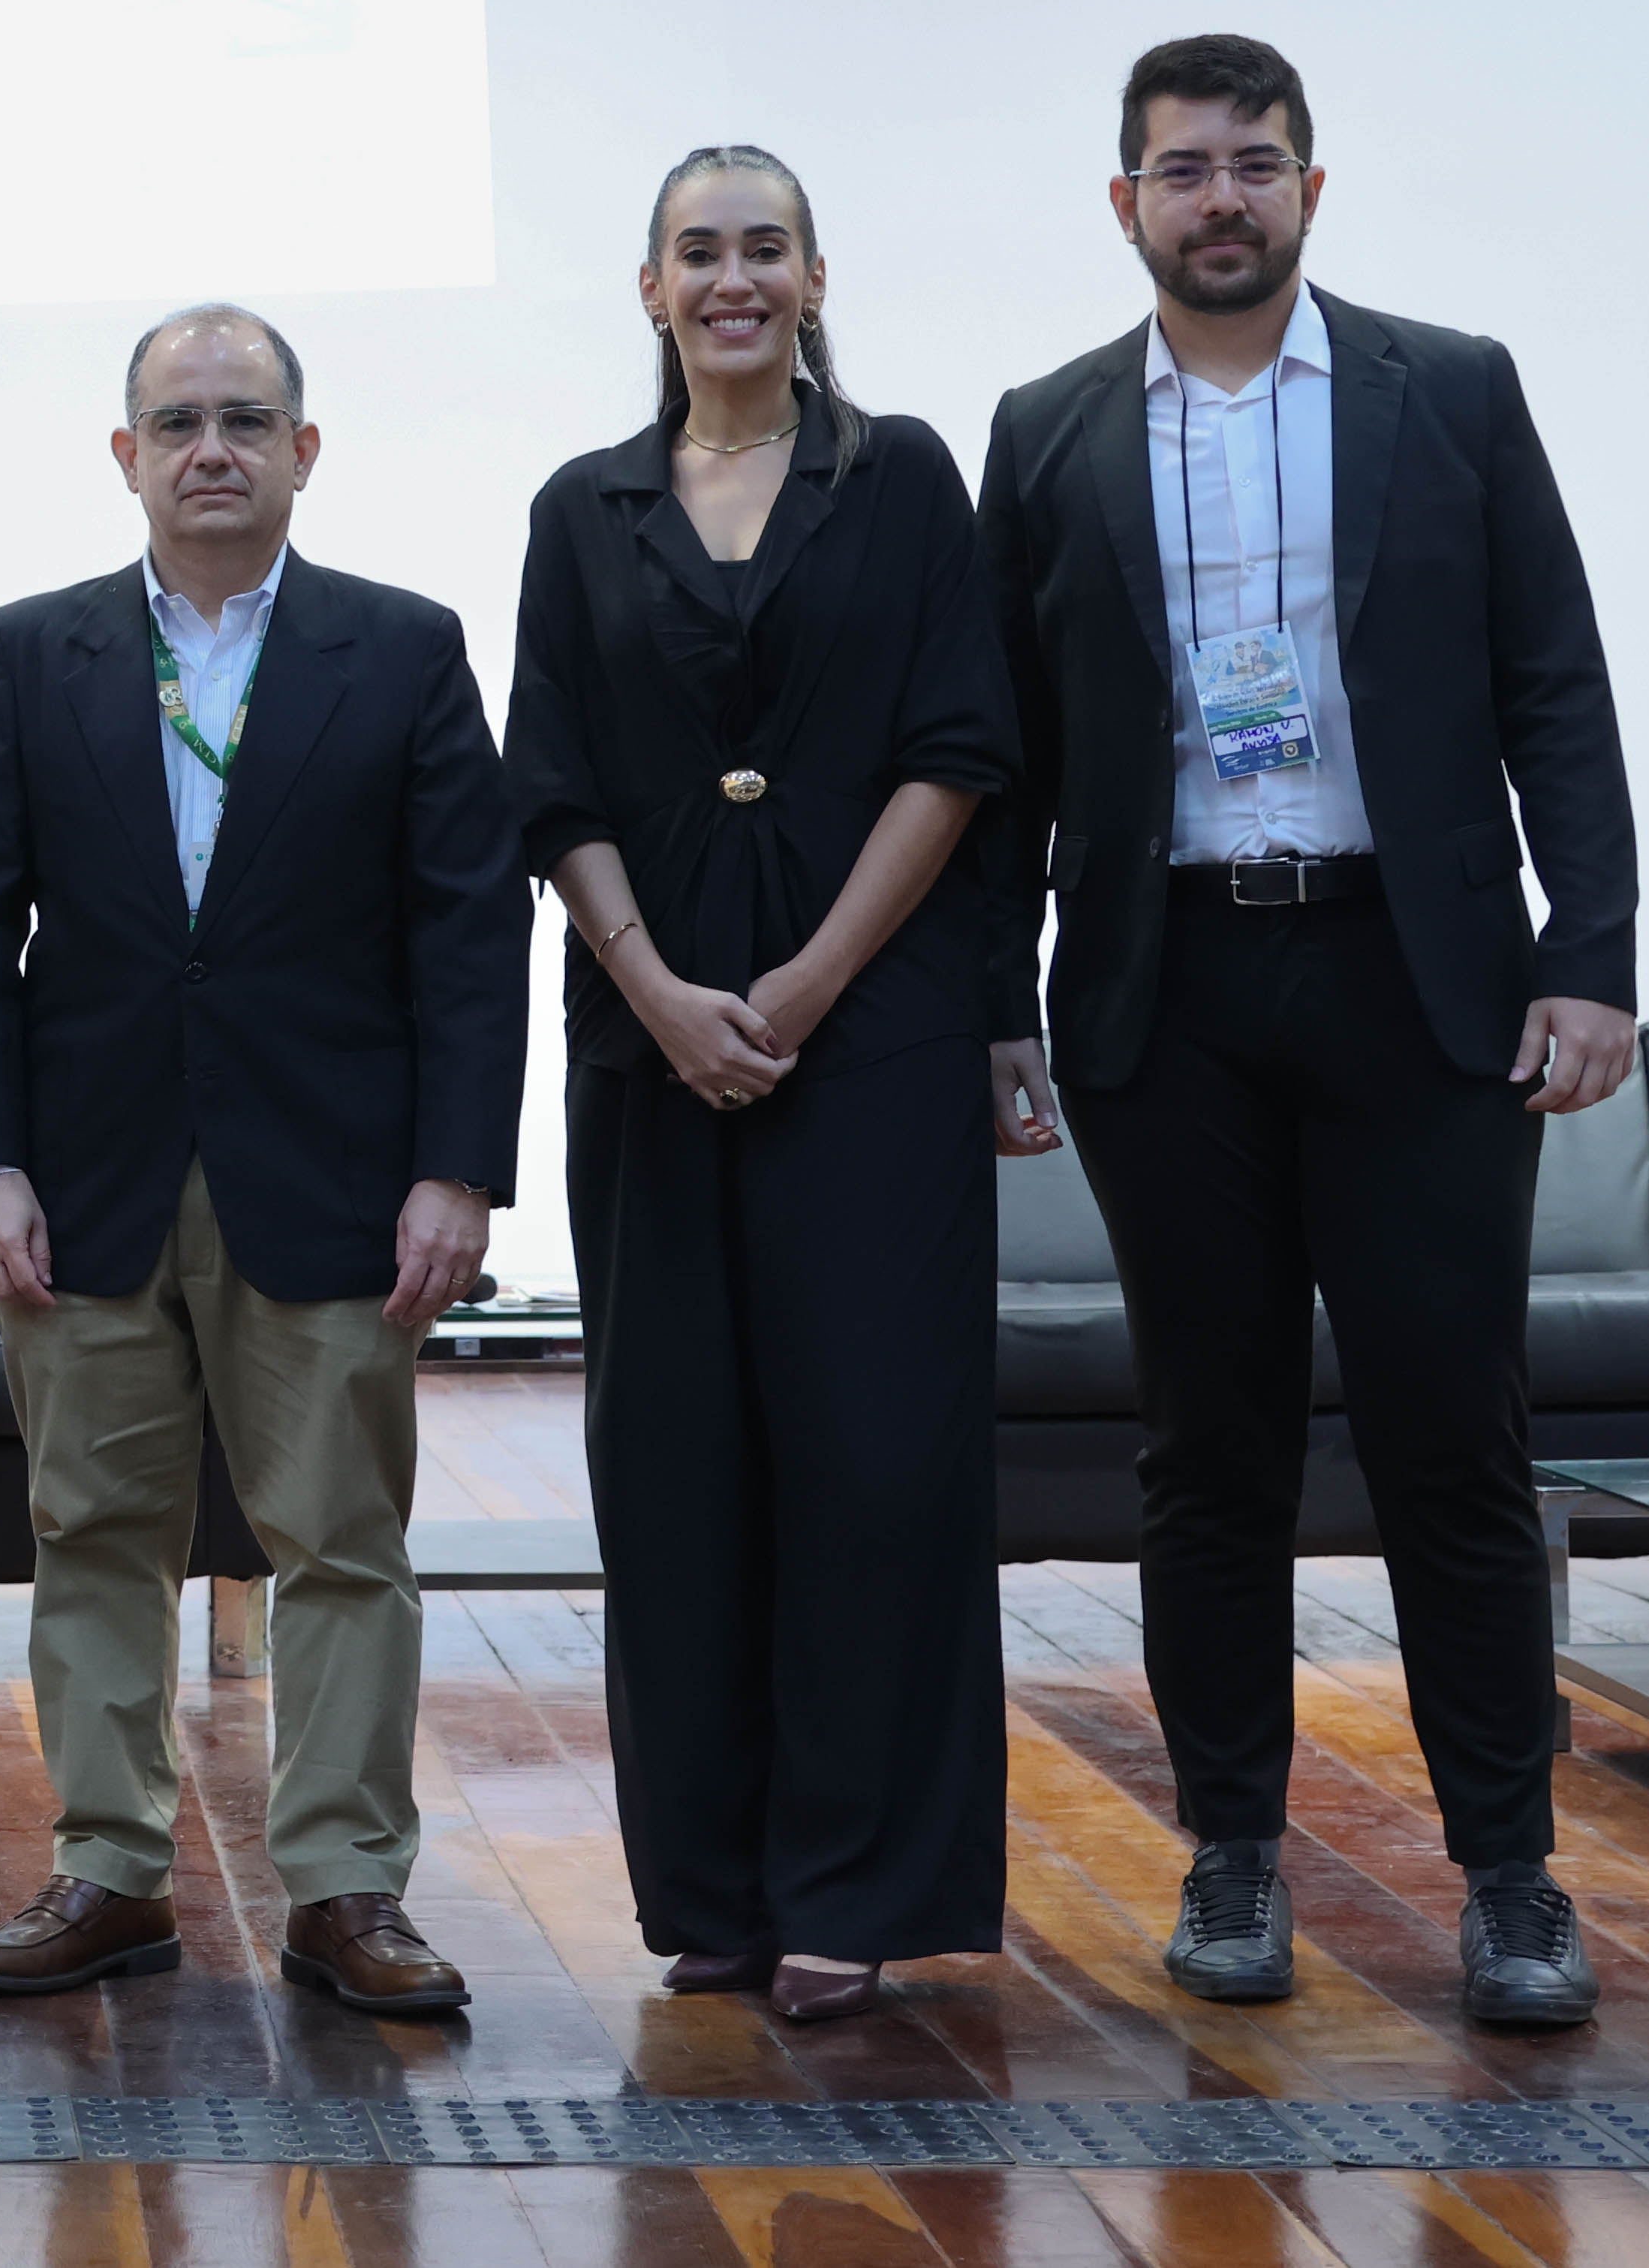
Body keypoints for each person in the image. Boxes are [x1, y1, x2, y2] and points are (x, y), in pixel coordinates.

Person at [979, 35, 1637, 2032]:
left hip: (1413, 982)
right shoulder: (1048, 428)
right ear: (1125, 204)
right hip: (1164, 987)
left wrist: (1591, 949)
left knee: (1453, 1435)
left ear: (1310, 188)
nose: (1221, 198)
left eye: (1253, 162)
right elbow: (1005, 748)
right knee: (1210, 1447)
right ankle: (1231, 1854)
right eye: (1183, 168)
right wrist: (999, 995)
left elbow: (1553, 674)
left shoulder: (1453, 388)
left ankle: (1509, 1877)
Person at [0, 305, 525, 2012]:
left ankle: (343, 1886)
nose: (211, 449)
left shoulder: (398, 648)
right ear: (125, 455)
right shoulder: (33, 652)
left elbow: (468, 930)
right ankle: (109, 1871)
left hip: (331, 1173)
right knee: (93, 1532)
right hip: (84, 1176)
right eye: (176, 422)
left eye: (245, 420)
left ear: (301, 451)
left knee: (339, 1539)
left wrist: (458, 1170)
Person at [501, 149, 1024, 2025]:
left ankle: (854, 1886)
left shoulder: (901, 478)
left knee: (872, 1462)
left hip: (867, 1040)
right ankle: (712, 1888)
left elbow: (955, 753)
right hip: (645, 1049)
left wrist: (802, 984)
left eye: (762, 248)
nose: (731, 279)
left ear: (812, 276)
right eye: (696, 251)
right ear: (648, 287)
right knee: (674, 1464)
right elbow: (548, 784)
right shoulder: (580, 508)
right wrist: (654, 989)